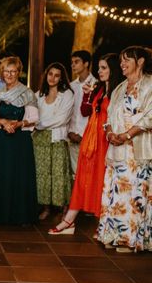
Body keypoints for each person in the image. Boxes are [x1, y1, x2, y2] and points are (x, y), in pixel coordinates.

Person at [49, 53, 123, 235]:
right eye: (99, 67)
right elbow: (85, 111)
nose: (100, 71)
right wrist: (87, 96)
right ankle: (69, 221)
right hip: (91, 137)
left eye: (104, 68)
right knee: (82, 178)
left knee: (101, 180)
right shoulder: (98, 87)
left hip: (105, 139)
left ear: (113, 69)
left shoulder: (119, 90)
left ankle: (103, 224)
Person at [96, 46, 152, 253]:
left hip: (137, 149)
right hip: (117, 147)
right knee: (115, 192)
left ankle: (129, 239)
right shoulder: (120, 87)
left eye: (127, 60)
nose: (122, 64)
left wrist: (127, 135)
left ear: (140, 61)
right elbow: (110, 114)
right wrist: (110, 133)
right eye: (120, 60)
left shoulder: (149, 85)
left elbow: (149, 116)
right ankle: (112, 233)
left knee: (133, 193)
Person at [0, 56, 39, 225]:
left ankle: (21, 216)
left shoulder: (28, 93)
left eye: (13, 71)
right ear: (2, 73)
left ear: (19, 72)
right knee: (2, 175)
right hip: (2, 140)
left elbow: (34, 118)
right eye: (6, 71)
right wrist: (3, 122)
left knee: (20, 176)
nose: (9, 74)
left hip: (20, 141)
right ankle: (1, 216)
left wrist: (18, 124)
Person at [33, 63, 75, 220]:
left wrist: (40, 124)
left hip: (57, 138)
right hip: (39, 140)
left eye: (57, 75)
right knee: (42, 174)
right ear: (46, 75)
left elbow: (62, 119)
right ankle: (46, 207)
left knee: (59, 173)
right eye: (50, 74)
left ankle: (63, 207)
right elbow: (33, 116)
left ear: (61, 78)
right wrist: (37, 123)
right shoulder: (38, 95)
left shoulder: (67, 95)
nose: (52, 78)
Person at [68, 50, 96, 178]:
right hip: (72, 136)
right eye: (72, 62)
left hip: (88, 137)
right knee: (74, 175)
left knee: (88, 175)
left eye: (76, 62)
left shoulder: (96, 85)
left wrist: (84, 135)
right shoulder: (70, 86)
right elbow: (68, 112)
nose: (73, 65)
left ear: (86, 63)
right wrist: (70, 132)